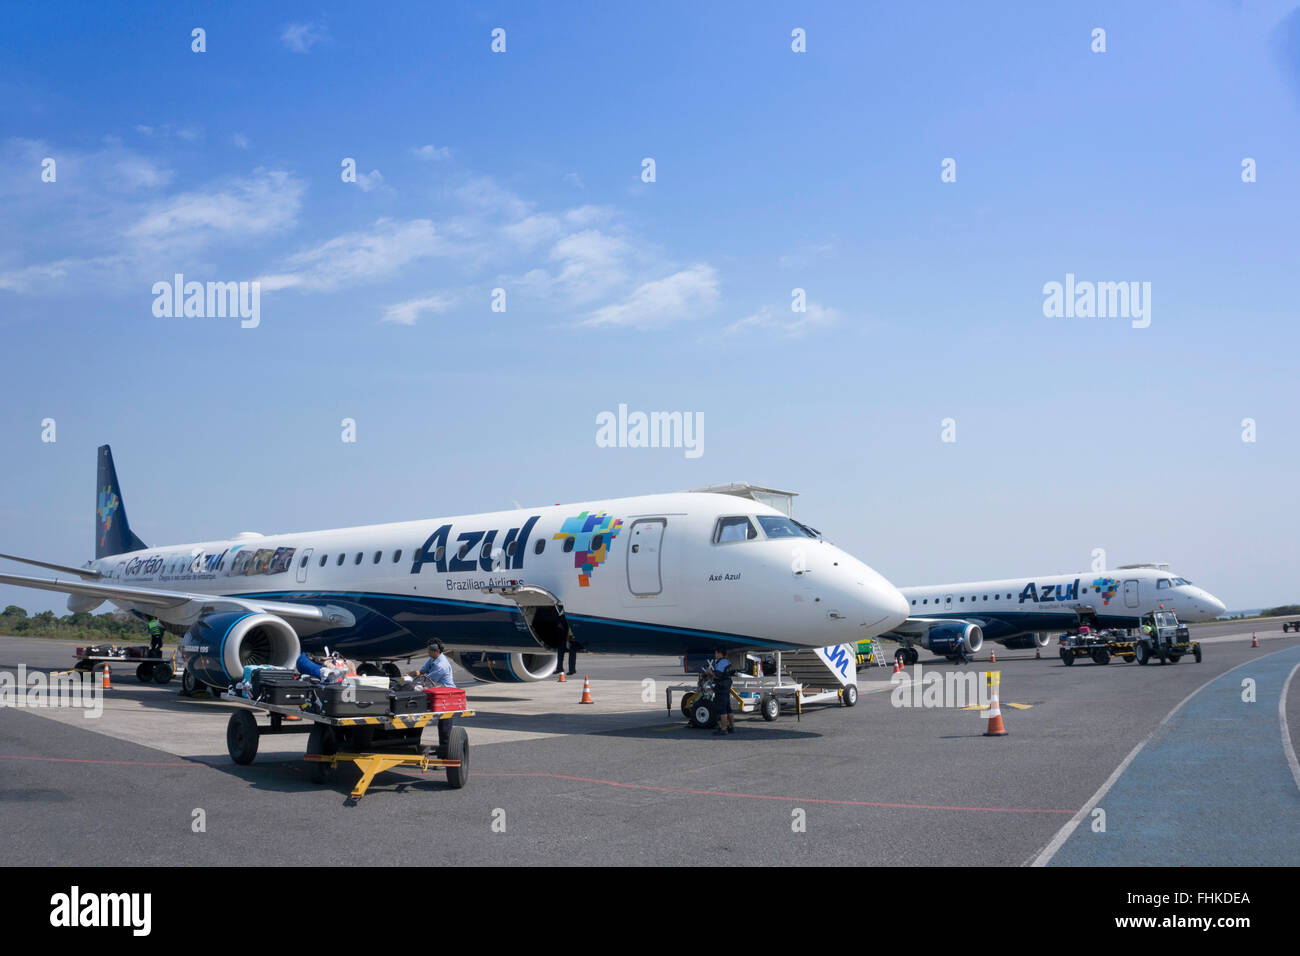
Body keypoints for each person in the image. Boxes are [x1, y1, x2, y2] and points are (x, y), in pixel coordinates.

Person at [411, 641, 457, 755]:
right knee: (428, 720)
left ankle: (446, 755)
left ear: (436, 651)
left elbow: (427, 681)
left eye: (429, 651)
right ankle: (415, 745)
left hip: (446, 695)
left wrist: (413, 684)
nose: (427, 652)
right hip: (437, 692)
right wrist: (410, 674)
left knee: (445, 727)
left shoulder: (441, 665)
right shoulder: (433, 659)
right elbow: (422, 671)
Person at [708, 648, 736, 736]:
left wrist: (710, 672)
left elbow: (717, 675)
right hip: (726, 686)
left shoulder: (721, 663)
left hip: (721, 688)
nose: (715, 655)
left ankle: (723, 729)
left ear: (720, 653)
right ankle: (731, 727)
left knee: (722, 709)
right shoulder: (727, 661)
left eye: (716, 653)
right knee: (728, 708)